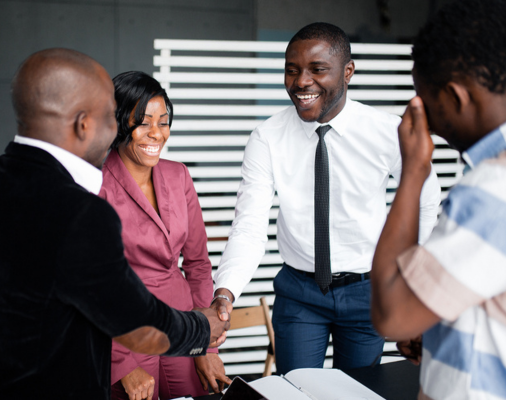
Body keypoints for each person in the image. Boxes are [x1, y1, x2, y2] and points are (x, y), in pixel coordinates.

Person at [0, 48, 229, 400]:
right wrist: (204, 330)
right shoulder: (81, 210)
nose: (117, 127)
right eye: (111, 116)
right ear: (85, 122)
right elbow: (132, 317)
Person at [211, 22, 442, 373]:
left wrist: (413, 285)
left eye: (318, 69)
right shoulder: (267, 137)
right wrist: (225, 293)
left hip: (368, 291)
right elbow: (249, 226)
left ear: (347, 72)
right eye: (292, 70)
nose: (302, 82)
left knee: (360, 393)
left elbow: (426, 202)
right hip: (299, 293)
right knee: (295, 391)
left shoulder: (386, 131)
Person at [371, 0, 506, 398]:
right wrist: (436, 322)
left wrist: (413, 170)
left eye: (426, 100)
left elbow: (392, 314)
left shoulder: (491, 188)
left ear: (455, 96)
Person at [99, 71, 231, 400]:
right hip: (125, 331)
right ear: (118, 123)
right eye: (143, 122)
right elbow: (93, 286)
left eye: (164, 121)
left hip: (182, 323)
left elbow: (199, 264)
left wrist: (207, 345)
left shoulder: (178, 174)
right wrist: (122, 365)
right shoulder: (95, 183)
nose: (156, 133)